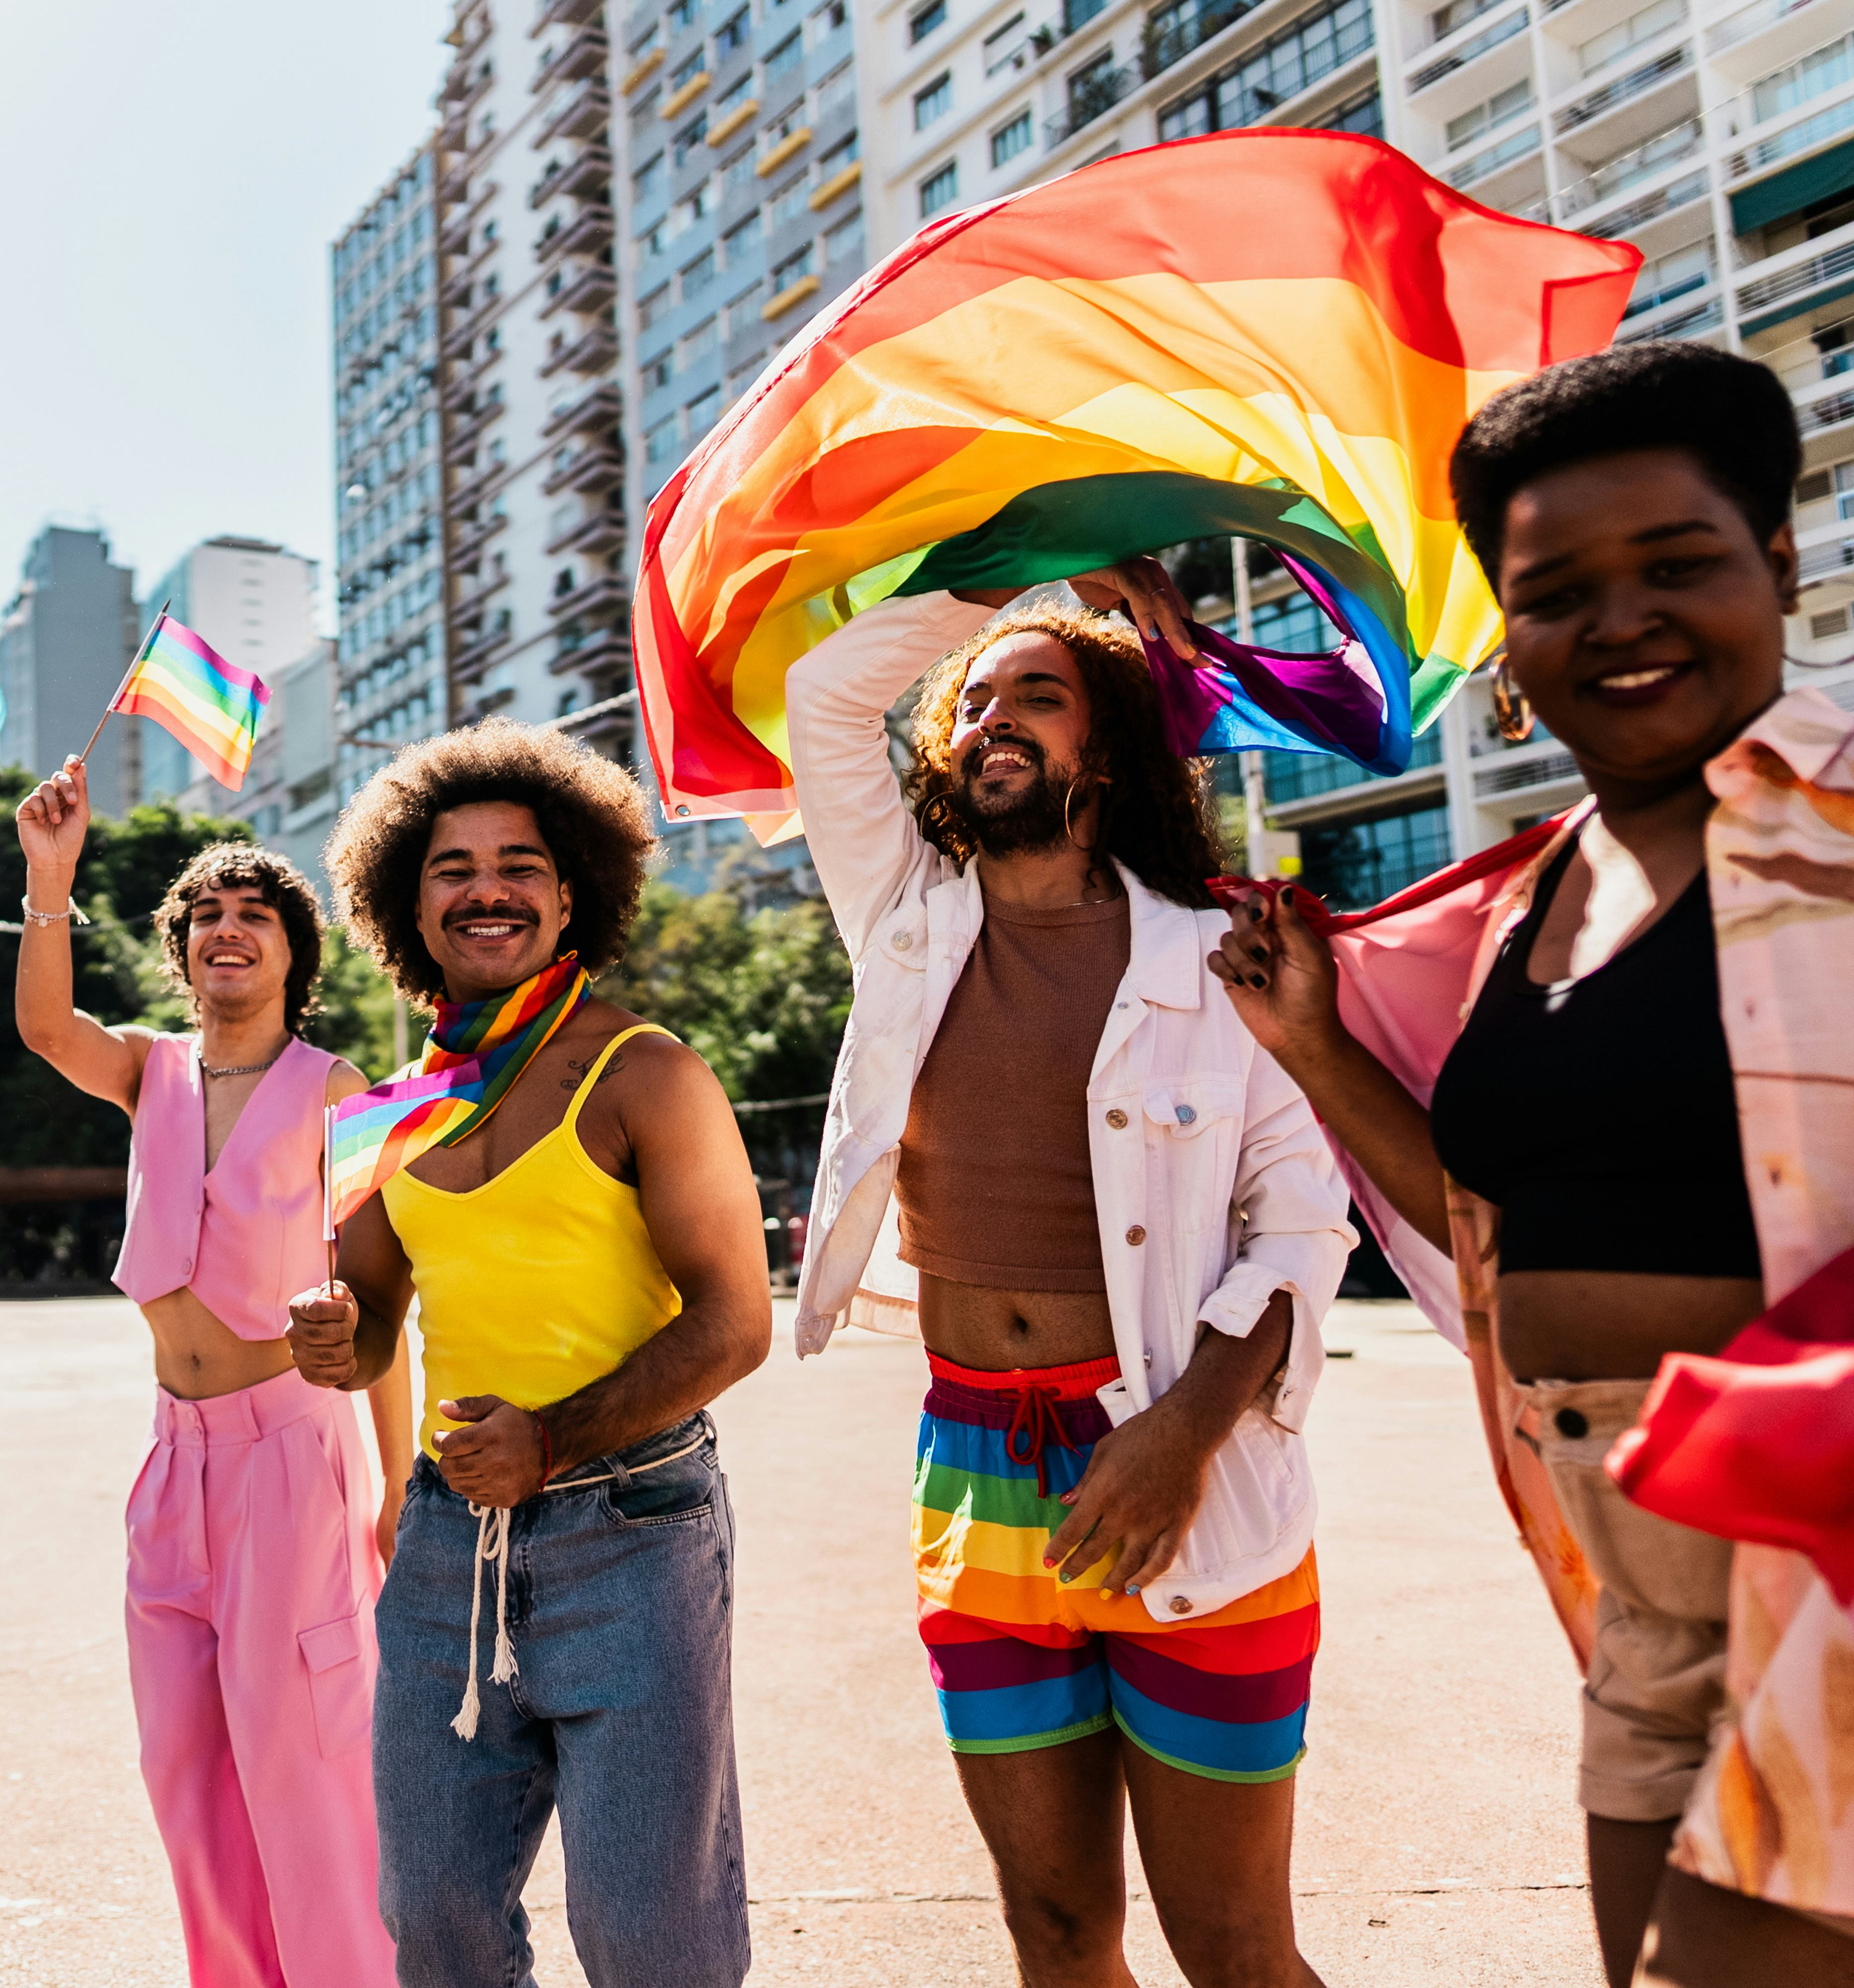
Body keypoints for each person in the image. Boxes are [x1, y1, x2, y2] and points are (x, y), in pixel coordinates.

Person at [1207, 341, 1854, 1986]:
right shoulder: (1530, 902)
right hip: (1622, 1566)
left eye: (1679, 563)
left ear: (1778, 563)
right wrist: (1312, 1047)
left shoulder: (1841, 828)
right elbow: (1492, 1229)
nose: (1618, 617)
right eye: (1557, 586)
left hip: (1819, 1539)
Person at [783, 560, 1355, 1988]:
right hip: (974, 1472)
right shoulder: (906, 923)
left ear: (1106, 749)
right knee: (1054, 1934)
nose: (990, 718)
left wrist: (1180, 1436)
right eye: (972, 702)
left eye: (1035, 697)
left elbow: (1301, 1231)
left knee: (1233, 1946)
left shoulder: (1224, 948)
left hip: (1192, 1464)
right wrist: (1014, 576)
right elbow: (824, 697)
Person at [281, 722, 770, 1988]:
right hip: (451, 1550)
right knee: (433, 1919)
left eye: (521, 865)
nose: (487, 889)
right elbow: (376, 1316)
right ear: (408, 899)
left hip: (639, 1531)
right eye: (453, 867)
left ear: (574, 896)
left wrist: (551, 1439)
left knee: (646, 1935)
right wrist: (338, 1340)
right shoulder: (384, 1112)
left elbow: (735, 1319)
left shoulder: (644, 1071)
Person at [10, 757, 406, 1988]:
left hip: (293, 1454)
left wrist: (397, 1486)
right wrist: (49, 874)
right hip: (172, 1466)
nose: (229, 930)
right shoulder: (150, 1072)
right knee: (185, 1771)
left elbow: (381, 1300)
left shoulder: (339, 1091)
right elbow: (42, 1027)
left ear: (296, 955)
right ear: (182, 953)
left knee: (304, 1766)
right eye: (207, 917)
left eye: (258, 915)